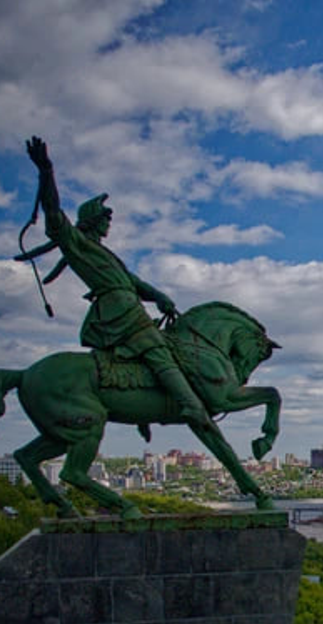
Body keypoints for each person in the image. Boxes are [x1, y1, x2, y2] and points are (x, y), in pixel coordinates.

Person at [21, 136, 216, 433]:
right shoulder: (77, 244)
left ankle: (144, 411)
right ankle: (188, 403)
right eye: (104, 219)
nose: (108, 224)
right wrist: (46, 172)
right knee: (156, 347)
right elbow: (53, 213)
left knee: (169, 347)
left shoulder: (106, 254)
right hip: (117, 310)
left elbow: (134, 282)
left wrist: (160, 296)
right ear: (94, 221)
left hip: (127, 304)